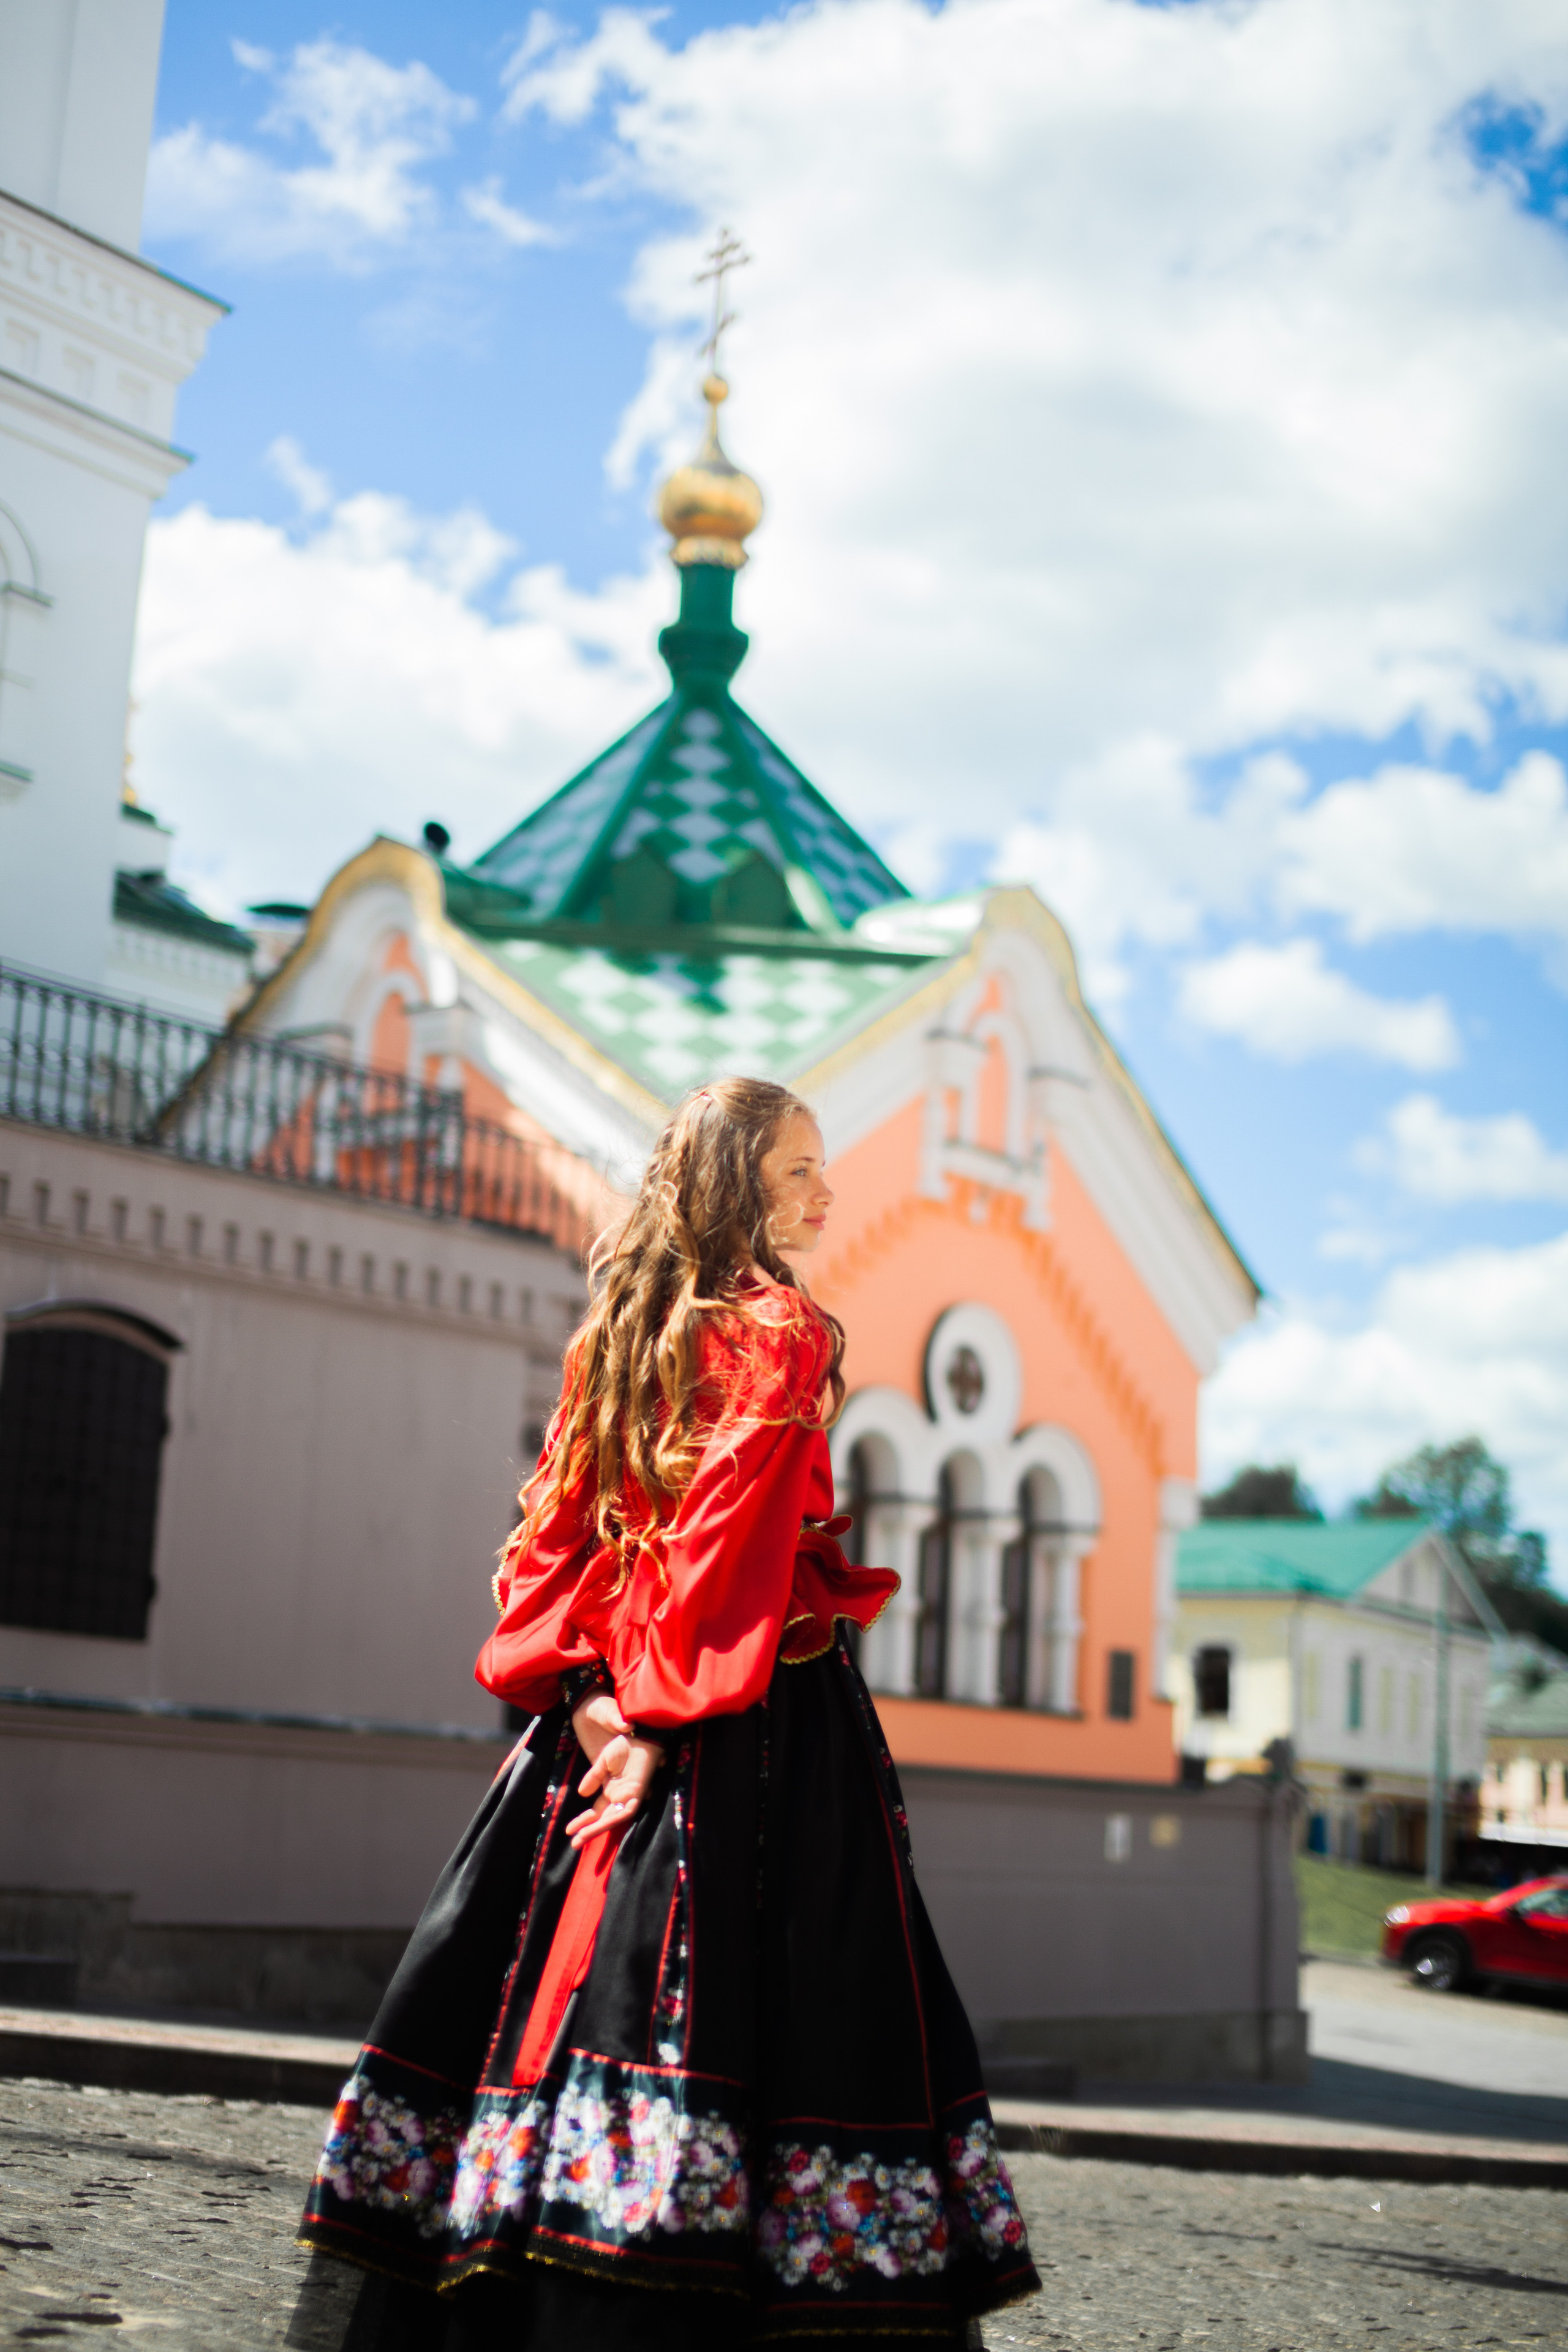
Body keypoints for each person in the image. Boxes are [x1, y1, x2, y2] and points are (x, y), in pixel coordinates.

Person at [296, 1077, 1038, 2350]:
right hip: (737, 1712)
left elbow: (546, 1548)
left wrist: (584, 1696)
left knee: (541, 1995)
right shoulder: (782, 1329)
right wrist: (652, 1721)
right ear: (733, 1182)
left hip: (596, 1715)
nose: (826, 1192)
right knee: (776, 2008)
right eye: (797, 1168)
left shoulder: (615, 1334)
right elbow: (721, 1553)